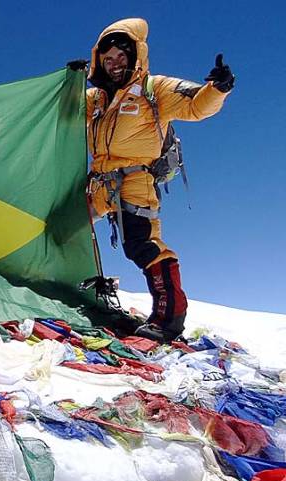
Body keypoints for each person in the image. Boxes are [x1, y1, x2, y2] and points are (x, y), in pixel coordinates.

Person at [76, 18, 234, 342]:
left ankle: (169, 318)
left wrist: (217, 89)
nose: (115, 64)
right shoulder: (96, 100)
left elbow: (195, 104)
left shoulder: (154, 89)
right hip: (100, 185)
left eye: (121, 57)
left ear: (134, 56)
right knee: (67, 223)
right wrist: (68, 82)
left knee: (142, 245)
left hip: (134, 181)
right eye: (108, 60)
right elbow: (59, 111)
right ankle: (69, 288)